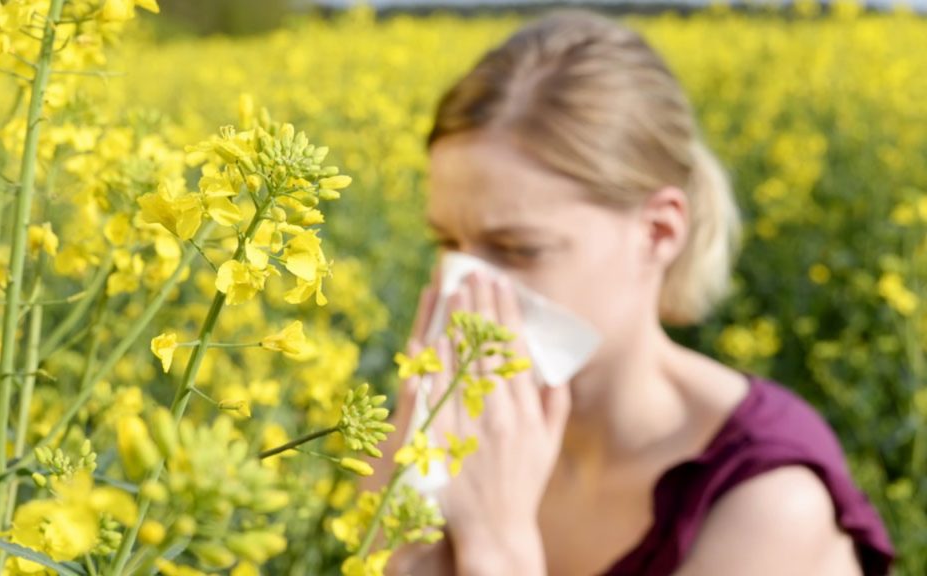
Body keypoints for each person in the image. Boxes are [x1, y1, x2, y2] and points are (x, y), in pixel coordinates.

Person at [359, 7, 895, 576]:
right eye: (447, 242)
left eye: (519, 249)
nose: (463, 286)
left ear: (659, 232)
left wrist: (497, 546)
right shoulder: (471, 435)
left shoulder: (767, 501)